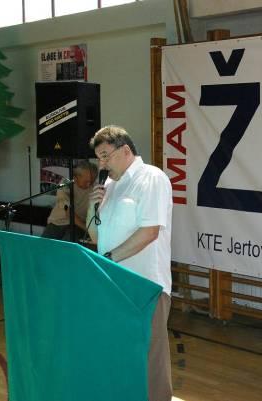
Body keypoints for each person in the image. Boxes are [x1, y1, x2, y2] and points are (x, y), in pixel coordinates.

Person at [86, 125, 173, 401]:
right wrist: (91, 206)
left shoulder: (151, 178)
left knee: (150, 357)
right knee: (118, 351)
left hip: (145, 284)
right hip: (113, 284)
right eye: (98, 158)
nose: (101, 164)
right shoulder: (109, 186)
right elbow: (96, 236)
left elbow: (149, 232)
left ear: (125, 150)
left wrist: (108, 261)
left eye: (105, 156)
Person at [41, 160, 97, 241]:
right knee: (43, 244)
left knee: (67, 246)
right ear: (75, 177)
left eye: (91, 181)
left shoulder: (95, 187)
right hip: (58, 222)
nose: (89, 185)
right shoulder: (65, 182)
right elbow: (68, 211)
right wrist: (87, 229)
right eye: (86, 181)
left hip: (78, 226)